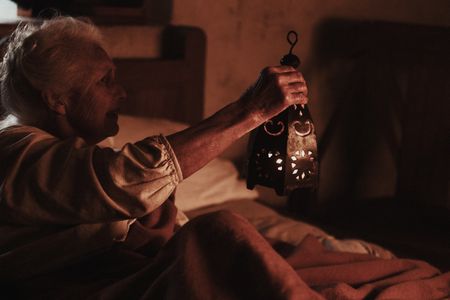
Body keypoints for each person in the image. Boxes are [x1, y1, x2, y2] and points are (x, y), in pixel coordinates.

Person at [1, 17, 449, 300]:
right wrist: (247, 112)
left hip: (150, 266)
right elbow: (125, 181)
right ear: (57, 98)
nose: (121, 92)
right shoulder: (15, 151)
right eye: (106, 81)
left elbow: (110, 196)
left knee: (396, 270)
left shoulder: (68, 151)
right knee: (220, 230)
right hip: (105, 284)